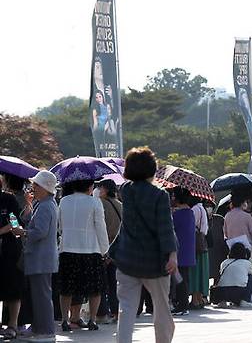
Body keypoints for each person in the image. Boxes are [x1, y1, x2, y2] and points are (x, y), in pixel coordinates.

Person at [109, 147, 178, 343]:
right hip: (155, 262)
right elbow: (165, 227)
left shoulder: (126, 191)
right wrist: (172, 255)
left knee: (127, 310)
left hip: (127, 259)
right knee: (162, 310)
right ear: (152, 168)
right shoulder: (160, 195)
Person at [10, 171, 58, 342]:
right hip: (39, 258)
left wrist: (22, 232)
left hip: (41, 258)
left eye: (36, 185)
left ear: (45, 187)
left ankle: (46, 331)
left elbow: (40, 232)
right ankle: (39, 328)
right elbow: (30, 221)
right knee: (38, 296)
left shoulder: (46, 205)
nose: (33, 188)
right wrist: (29, 207)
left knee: (42, 296)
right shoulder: (43, 203)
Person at [58, 178, 109, 332]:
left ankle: (65, 320)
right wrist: (104, 249)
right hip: (90, 249)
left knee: (66, 288)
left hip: (67, 249)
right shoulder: (95, 202)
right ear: (89, 186)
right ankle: (92, 319)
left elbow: (60, 226)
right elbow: (100, 227)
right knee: (94, 288)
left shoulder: (64, 201)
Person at [0, 178, 25, 340]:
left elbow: (15, 222)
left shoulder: (8, 199)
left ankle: (13, 324)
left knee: (13, 288)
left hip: (8, 249)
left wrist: (4, 230)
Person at [94, 179, 122, 324]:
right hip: (117, 251)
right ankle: (117, 313)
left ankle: (102, 314)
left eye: (100, 187)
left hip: (103, 248)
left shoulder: (100, 204)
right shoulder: (121, 205)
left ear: (104, 189)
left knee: (102, 284)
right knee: (114, 283)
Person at [169, 187, 195, 316]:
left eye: (173, 196)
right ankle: (183, 304)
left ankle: (182, 305)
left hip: (179, 251)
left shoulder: (177, 214)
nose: (172, 198)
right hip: (188, 250)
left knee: (179, 279)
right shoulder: (190, 212)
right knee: (184, 278)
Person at [215, 243, 252, 307]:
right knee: (251, 278)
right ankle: (245, 300)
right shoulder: (247, 263)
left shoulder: (224, 262)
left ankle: (222, 301)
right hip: (238, 292)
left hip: (223, 292)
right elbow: (251, 274)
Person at [189, 199, 210, 310]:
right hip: (202, 242)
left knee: (195, 272)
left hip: (195, 243)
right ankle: (199, 298)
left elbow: (191, 226)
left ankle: (195, 300)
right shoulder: (202, 209)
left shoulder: (194, 210)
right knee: (201, 272)